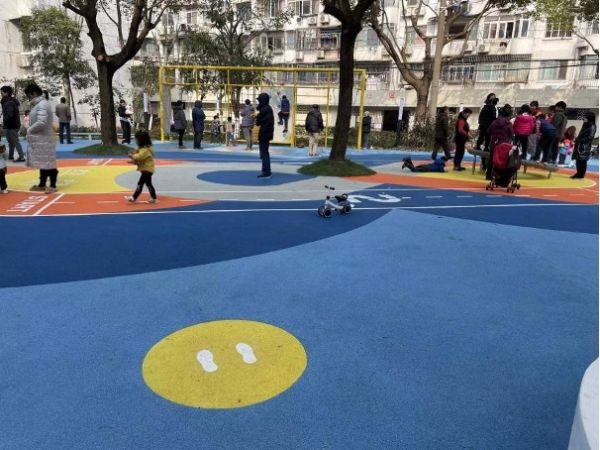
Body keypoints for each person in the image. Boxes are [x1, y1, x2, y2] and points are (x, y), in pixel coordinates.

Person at [25, 84, 58, 194]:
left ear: (34, 93)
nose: (28, 98)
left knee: (48, 163)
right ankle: (42, 184)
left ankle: (52, 185)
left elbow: (42, 122)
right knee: (44, 162)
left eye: (29, 95)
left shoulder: (42, 104)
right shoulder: (40, 104)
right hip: (41, 138)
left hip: (43, 138)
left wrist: (30, 130)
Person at [125, 130, 158, 203]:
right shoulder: (142, 148)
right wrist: (133, 155)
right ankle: (153, 198)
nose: (136, 141)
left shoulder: (145, 150)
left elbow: (139, 157)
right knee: (148, 184)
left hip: (147, 170)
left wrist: (132, 156)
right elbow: (137, 153)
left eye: (137, 140)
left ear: (141, 141)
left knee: (140, 183)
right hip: (146, 169)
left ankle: (134, 197)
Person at [486, 104, 514, 179]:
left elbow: (488, 131)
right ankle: (499, 177)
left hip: (494, 143)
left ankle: (488, 175)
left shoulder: (494, 122)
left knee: (491, 160)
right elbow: (512, 134)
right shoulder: (508, 124)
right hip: (504, 145)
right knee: (501, 161)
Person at [1, 85, 25, 162]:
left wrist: (3, 121)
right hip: (9, 125)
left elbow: (9, 114)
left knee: (15, 141)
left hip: (12, 125)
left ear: (6, 93)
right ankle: (11, 156)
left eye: (2, 92)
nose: (1, 94)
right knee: (11, 142)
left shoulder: (10, 102)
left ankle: (21, 157)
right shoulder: (6, 101)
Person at [571, 111, 597, 179]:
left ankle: (581, 175)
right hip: (580, 145)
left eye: (586, 117)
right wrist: (577, 139)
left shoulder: (592, 126)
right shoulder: (586, 124)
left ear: (589, 118)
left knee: (582, 160)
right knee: (578, 159)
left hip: (584, 146)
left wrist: (581, 140)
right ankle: (578, 173)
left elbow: (590, 137)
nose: (584, 119)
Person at [255, 92, 274, 179]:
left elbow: (258, 122)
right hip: (266, 134)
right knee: (264, 153)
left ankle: (267, 172)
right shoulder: (267, 109)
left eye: (260, 100)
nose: (259, 102)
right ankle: (265, 171)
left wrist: (256, 116)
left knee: (264, 153)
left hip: (264, 134)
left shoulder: (265, 109)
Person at [476, 93, 497, 158]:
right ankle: (479, 146)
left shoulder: (492, 107)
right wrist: (480, 122)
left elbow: (493, 117)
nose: (493, 98)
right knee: (483, 136)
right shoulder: (485, 105)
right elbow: (481, 115)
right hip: (485, 124)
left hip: (487, 124)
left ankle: (483, 147)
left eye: (494, 97)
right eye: (492, 97)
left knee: (486, 137)